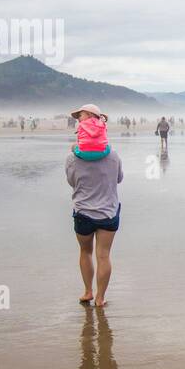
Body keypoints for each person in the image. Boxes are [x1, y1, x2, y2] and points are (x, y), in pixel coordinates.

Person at [66, 104, 123, 308]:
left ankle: (88, 291)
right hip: (108, 211)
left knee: (85, 252)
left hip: (83, 212)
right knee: (104, 255)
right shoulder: (113, 155)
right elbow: (119, 179)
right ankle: (100, 298)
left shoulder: (72, 157)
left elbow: (72, 182)